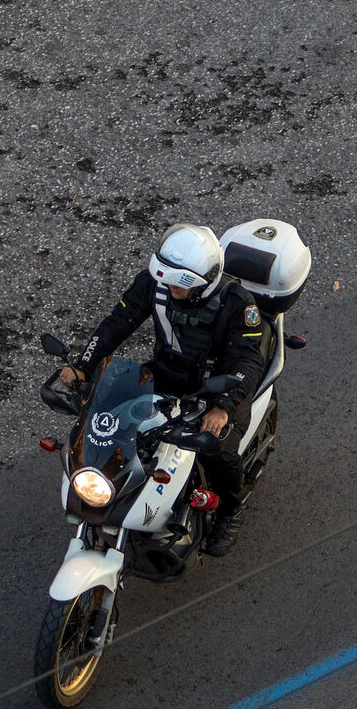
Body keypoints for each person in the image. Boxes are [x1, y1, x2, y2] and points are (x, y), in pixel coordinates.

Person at [59, 224, 266, 556]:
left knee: (219, 450)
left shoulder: (238, 304)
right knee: (113, 420)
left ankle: (230, 511)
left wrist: (223, 407)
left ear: (204, 281)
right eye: (166, 280)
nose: (170, 289)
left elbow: (249, 362)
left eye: (179, 284)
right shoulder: (155, 284)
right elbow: (116, 324)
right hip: (166, 374)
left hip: (219, 388)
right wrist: (84, 364)